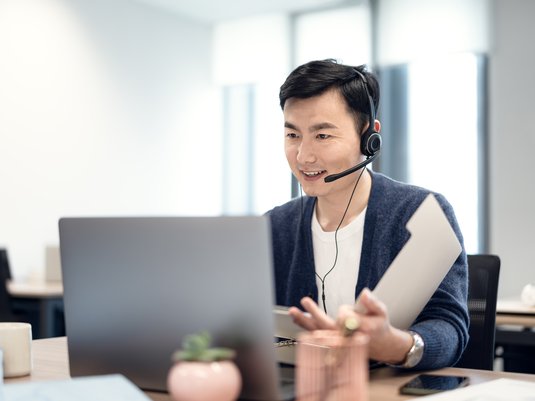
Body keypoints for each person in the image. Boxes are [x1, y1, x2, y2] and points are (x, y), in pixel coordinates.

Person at [267, 59, 469, 370]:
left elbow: (449, 327)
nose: (303, 156)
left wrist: (396, 345)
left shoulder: (420, 215)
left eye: (322, 136)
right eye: (293, 135)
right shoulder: (275, 226)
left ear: (369, 137)